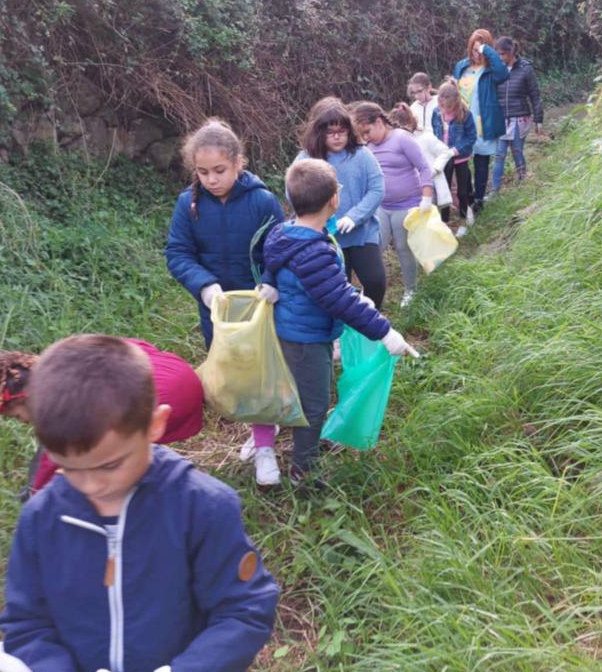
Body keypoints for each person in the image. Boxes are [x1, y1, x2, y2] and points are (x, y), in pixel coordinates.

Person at [0, 334, 279, 672]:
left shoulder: (203, 507)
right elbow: (26, 623)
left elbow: (244, 610)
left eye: (110, 465)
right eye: (69, 467)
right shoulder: (41, 518)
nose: (91, 485)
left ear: (155, 425)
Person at [262, 160, 417, 485]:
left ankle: (309, 446)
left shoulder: (284, 232)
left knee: (312, 393)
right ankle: (303, 470)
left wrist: (270, 282)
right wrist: (385, 332)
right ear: (334, 200)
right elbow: (338, 300)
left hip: (296, 332)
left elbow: (274, 261)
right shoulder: (313, 251)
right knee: (314, 404)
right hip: (306, 338)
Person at [164, 118, 285, 488]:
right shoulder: (188, 205)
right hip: (216, 310)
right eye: (203, 173)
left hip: (258, 308)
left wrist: (271, 281)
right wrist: (203, 286)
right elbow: (178, 252)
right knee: (234, 376)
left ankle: (264, 446)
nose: (211, 179)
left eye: (219, 170)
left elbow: (281, 249)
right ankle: (261, 426)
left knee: (259, 374)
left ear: (238, 163)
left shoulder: (262, 201)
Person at [0, 341, 204, 498]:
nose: (22, 422)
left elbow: (52, 459)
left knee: (113, 448)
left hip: (168, 397)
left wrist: (37, 494)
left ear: (28, 399)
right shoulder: (71, 357)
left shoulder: (64, 406)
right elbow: (133, 347)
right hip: (179, 371)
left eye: (18, 416)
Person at [294, 97, 386, 308]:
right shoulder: (306, 159)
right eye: (330, 132)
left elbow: (377, 189)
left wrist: (355, 216)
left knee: (375, 281)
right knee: (337, 289)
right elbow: (294, 192)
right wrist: (318, 215)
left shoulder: (362, 155)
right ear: (319, 132)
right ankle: (344, 324)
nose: (336, 137)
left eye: (341, 131)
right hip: (326, 237)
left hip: (362, 234)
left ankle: (369, 320)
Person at [351, 102, 434, 308]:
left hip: (406, 204)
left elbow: (423, 167)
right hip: (381, 206)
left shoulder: (401, 139)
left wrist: (426, 197)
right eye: (362, 134)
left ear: (379, 122)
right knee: (375, 247)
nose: (366, 137)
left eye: (367, 131)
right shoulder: (368, 147)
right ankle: (371, 289)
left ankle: (410, 289)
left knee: (403, 247)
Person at [452, 29, 510, 214]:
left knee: (481, 161)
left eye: (480, 50)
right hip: (462, 122)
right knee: (461, 161)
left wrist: (487, 50)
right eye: (473, 49)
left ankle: (478, 199)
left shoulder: (491, 70)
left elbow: (503, 75)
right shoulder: (462, 67)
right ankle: (467, 195)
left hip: (483, 121)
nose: (476, 53)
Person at [492, 36, 544, 194]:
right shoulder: (496, 70)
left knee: (517, 151)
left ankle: (523, 183)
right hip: (501, 118)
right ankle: (495, 190)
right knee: (499, 155)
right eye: (498, 54)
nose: (500, 58)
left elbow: (535, 95)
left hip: (519, 117)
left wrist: (538, 119)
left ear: (511, 52)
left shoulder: (525, 68)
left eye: (503, 54)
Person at [388, 103, 455, 219]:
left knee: (427, 219)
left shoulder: (425, 138)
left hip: (427, 187)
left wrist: (435, 169)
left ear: (409, 124)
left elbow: (445, 151)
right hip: (407, 190)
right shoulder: (392, 144)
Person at [431, 81, 478, 234]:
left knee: (462, 192)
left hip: (460, 157)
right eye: (442, 106)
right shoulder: (436, 113)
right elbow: (434, 134)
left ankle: (463, 222)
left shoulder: (465, 114)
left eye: (449, 107)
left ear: (456, 102)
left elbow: (471, 137)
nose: (445, 109)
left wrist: (455, 150)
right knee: (443, 192)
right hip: (443, 159)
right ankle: (444, 223)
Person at [406, 72, 439, 137]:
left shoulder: (439, 102)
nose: (416, 96)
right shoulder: (412, 108)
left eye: (420, 91)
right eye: (414, 93)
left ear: (429, 87)